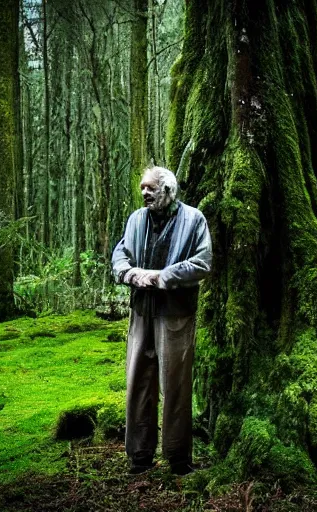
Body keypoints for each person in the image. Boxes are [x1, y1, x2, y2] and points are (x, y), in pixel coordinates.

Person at [111, 165, 212, 475]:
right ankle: (139, 457)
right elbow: (120, 253)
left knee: (176, 386)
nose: (145, 192)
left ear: (169, 191)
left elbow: (203, 262)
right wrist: (129, 273)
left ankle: (178, 459)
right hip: (141, 313)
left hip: (177, 316)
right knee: (138, 383)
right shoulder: (136, 219)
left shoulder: (194, 219)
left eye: (151, 188)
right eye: (142, 187)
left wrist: (163, 276)